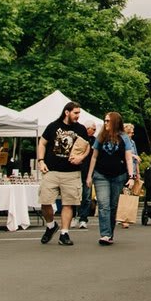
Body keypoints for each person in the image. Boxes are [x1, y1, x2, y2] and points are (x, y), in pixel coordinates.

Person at [37, 102, 90, 247]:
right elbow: (42, 143)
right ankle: (50, 226)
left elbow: (87, 147)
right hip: (51, 170)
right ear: (67, 112)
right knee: (45, 201)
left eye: (79, 113)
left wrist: (81, 157)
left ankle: (64, 233)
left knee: (68, 203)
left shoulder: (80, 129)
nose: (78, 116)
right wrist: (41, 161)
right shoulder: (53, 126)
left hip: (72, 172)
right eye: (75, 113)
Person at [87, 111, 132, 246]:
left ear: (115, 122)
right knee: (103, 204)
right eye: (105, 120)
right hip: (101, 175)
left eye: (108, 121)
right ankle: (105, 234)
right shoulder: (100, 137)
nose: (105, 123)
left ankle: (109, 232)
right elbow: (94, 157)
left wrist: (132, 176)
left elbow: (128, 158)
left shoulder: (124, 138)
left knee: (113, 206)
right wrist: (89, 175)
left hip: (118, 175)